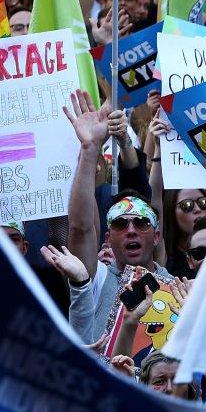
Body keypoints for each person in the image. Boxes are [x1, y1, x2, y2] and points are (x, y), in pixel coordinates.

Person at [62, 90, 171, 345]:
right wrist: (90, 148)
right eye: (121, 224)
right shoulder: (95, 279)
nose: (131, 229)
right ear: (108, 238)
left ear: (156, 236)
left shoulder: (176, 287)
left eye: (141, 222)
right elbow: (81, 228)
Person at [160, 188, 206, 278]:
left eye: (203, 202)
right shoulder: (162, 256)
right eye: (187, 205)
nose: (197, 209)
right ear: (171, 211)